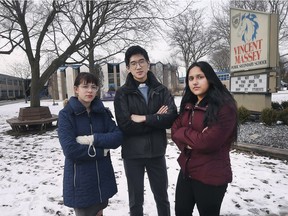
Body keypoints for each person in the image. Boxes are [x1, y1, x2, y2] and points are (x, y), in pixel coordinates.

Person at [114, 45, 178, 216]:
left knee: (162, 198)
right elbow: (125, 125)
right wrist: (157, 118)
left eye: (142, 61)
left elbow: (171, 117)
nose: (138, 66)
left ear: (148, 63)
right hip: (132, 155)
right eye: (133, 63)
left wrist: (144, 118)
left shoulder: (161, 90)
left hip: (156, 153)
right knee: (136, 201)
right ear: (128, 67)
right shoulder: (122, 94)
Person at [171, 61, 238, 216]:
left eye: (200, 77)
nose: (195, 82)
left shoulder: (224, 107)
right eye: (191, 78)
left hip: (211, 175)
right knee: (181, 212)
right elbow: (175, 130)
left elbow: (207, 143)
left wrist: (185, 133)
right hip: (187, 171)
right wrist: (190, 142)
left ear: (209, 78)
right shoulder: (189, 103)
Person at [58, 72, 123, 216]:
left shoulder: (102, 113)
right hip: (81, 180)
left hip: (102, 177)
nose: (90, 91)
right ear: (76, 89)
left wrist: (91, 139)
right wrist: (101, 151)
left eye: (94, 87)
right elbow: (70, 150)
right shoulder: (66, 115)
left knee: (99, 212)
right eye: (85, 86)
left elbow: (117, 137)